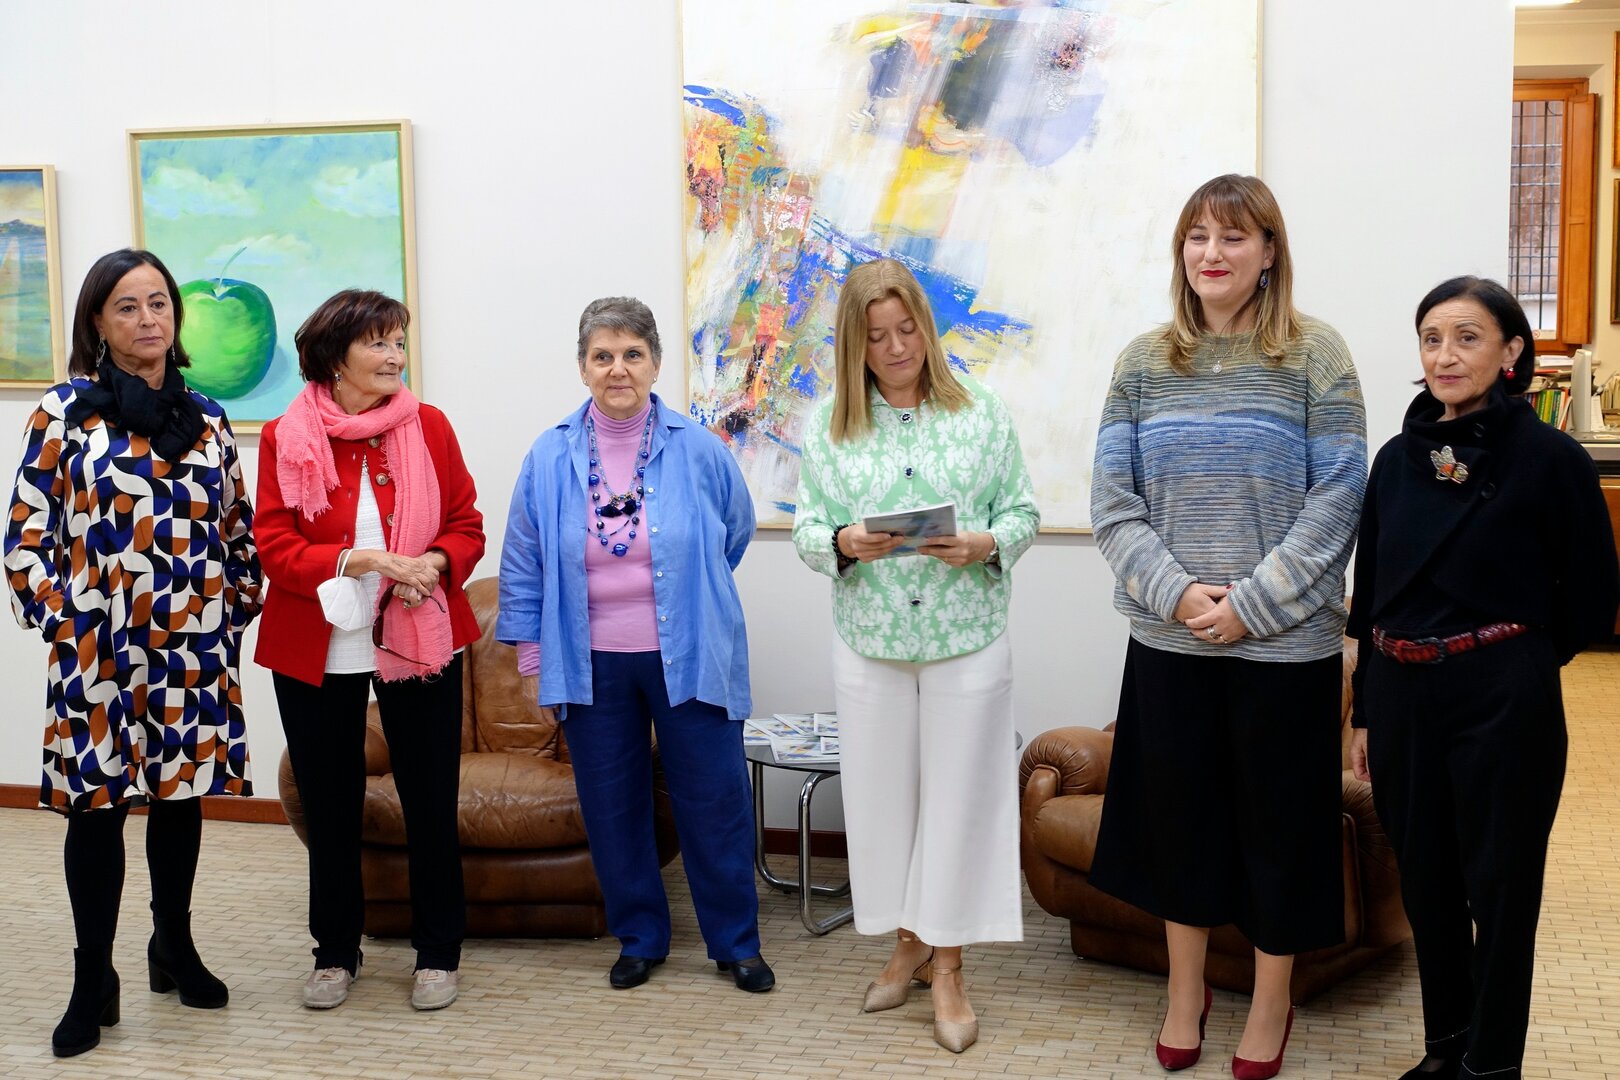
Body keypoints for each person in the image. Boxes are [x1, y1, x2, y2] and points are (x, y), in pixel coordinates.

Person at [1088, 174, 1368, 1079]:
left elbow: (1340, 496)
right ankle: (1186, 991)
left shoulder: (1317, 355)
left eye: (1234, 236)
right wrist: (1178, 596)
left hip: (1285, 648)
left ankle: (1271, 1002)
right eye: (1198, 236)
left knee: (1280, 834)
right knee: (1181, 828)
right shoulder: (1142, 362)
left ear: (1270, 252)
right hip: (1170, 643)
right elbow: (1113, 504)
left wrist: (1250, 603)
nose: (1212, 253)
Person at [1347, 276, 1619, 1080]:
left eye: (1467, 337)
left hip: (1501, 695)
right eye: (1432, 338)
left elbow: (1593, 594)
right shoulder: (1396, 459)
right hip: (1401, 692)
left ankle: (1491, 1066)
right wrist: (1365, 712)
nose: (1445, 355)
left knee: (1500, 891)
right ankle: (1445, 1050)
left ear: (1511, 352)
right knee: (1426, 884)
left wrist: (1516, 660)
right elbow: (1373, 590)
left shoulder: (1551, 458)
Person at [2, 248, 262, 1057]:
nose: (149, 319)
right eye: (128, 306)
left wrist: (230, 611)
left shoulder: (209, 417)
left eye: (159, 303)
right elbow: (25, 536)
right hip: (99, 650)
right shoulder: (63, 413)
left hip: (191, 647)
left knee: (181, 799)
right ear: (97, 322)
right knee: (97, 809)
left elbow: (238, 531)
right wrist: (65, 620)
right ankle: (93, 979)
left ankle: (171, 945)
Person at [792, 257, 1040, 1053]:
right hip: (872, 642)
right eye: (877, 337)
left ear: (926, 329)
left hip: (967, 637)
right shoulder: (829, 425)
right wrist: (841, 541)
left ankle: (951, 966)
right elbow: (806, 528)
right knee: (884, 801)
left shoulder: (983, 413)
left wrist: (984, 543)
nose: (896, 348)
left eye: (907, 330)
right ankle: (909, 943)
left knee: (959, 799)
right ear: (854, 344)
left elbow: (1023, 510)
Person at [498, 296, 772, 994]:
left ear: (654, 362)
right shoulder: (549, 454)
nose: (617, 368)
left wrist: (686, 591)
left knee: (714, 803)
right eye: (602, 356)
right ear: (583, 366)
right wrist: (533, 659)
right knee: (613, 807)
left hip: (692, 654)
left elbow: (732, 533)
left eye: (632, 354)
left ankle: (735, 944)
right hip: (590, 662)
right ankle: (641, 938)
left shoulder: (700, 448)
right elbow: (524, 559)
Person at [254, 289, 485, 1012]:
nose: (394, 357)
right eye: (378, 343)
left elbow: (466, 525)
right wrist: (362, 560)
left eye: (398, 342)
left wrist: (433, 565)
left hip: (417, 633)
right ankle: (334, 952)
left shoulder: (430, 426)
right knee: (329, 805)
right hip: (313, 644)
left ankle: (438, 952)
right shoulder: (284, 436)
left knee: (429, 799)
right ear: (335, 356)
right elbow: (274, 545)